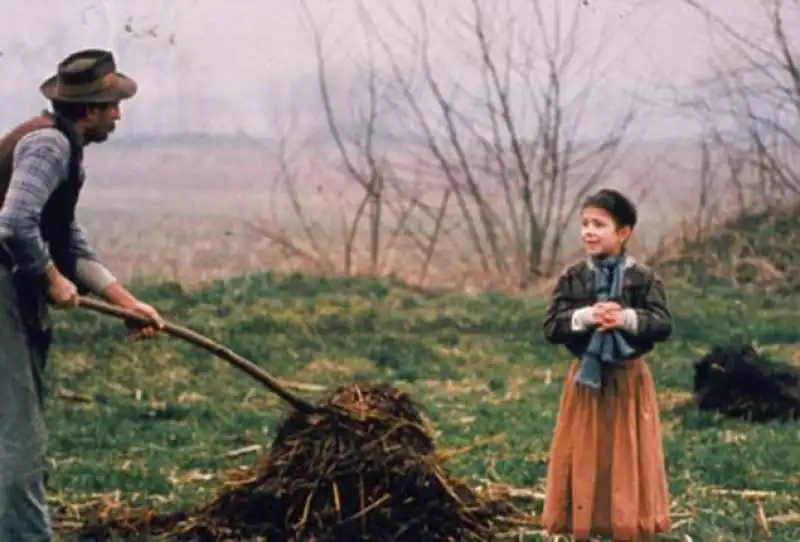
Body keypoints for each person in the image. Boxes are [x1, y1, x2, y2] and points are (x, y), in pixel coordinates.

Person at [0, 49, 165, 541]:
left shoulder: (61, 147)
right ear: (88, 109)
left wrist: (124, 301)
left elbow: (64, 233)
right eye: (112, 104)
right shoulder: (49, 146)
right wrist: (51, 277)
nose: (118, 113)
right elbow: (12, 224)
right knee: (18, 434)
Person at [540, 188, 673, 541]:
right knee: (586, 451)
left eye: (599, 224)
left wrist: (627, 319)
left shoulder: (643, 278)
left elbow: (662, 324)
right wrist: (586, 316)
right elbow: (552, 327)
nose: (589, 231)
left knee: (626, 452)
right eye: (585, 224)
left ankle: (625, 522)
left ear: (624, 232)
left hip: (629, 381)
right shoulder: (574, 277)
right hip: (586, 381)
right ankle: (587, 522)